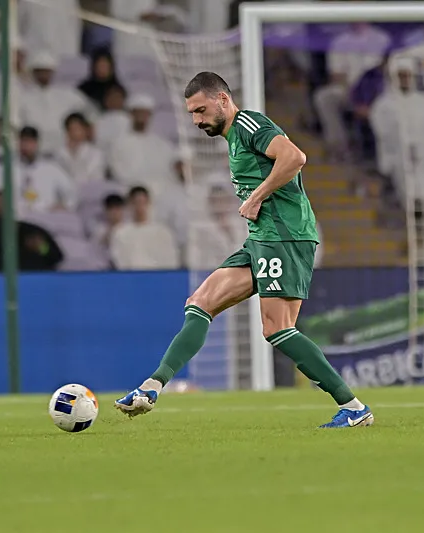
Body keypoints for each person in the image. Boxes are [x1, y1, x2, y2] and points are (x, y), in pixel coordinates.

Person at [115, 72, 372, 429]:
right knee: (200, 303)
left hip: (285, 235)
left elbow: (295, 157)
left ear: (223, 99)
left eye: (201, 110)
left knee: (278, 328)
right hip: (261, 238)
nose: (197, 120)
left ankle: (354, 407)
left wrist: (256, 196)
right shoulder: (233, 136)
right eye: (192, 113)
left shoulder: (249, 123)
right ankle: (151, 387)